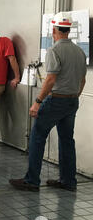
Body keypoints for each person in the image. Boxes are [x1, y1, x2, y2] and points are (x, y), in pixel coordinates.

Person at [10, 12, 87, 192]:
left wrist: (37, 101)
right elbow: (82, 80)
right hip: (71, 102)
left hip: (56, 101)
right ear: (68, 30)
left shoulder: (54, 50)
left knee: (37, 136)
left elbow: (51, 79)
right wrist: (74, 96)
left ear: (54, 30)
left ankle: (32, 180)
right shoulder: (79, 52)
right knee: (67, 140)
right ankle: (68, 181)